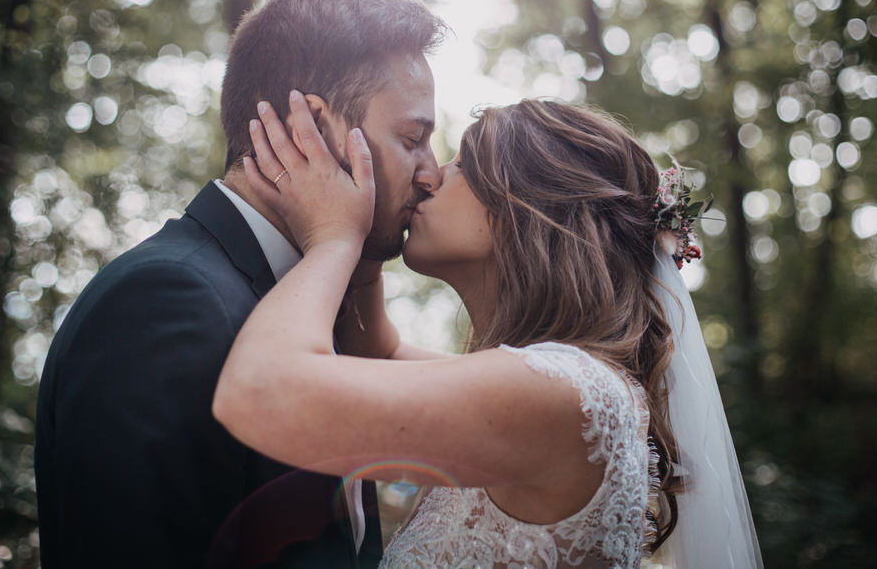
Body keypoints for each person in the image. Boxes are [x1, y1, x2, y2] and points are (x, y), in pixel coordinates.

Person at [213, 95, 764, 567]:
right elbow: (376, 351)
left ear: (526, 206)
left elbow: (261, 392)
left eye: (462, 166)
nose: (429, 177)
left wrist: (332, 240)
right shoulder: (558, 383)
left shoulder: (564, 392)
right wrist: (368, 227)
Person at [34, 0, 447, 568]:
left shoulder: (303, 304)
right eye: (413, 138)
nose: (430, 172)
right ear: (314, 129)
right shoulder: (165, 302)